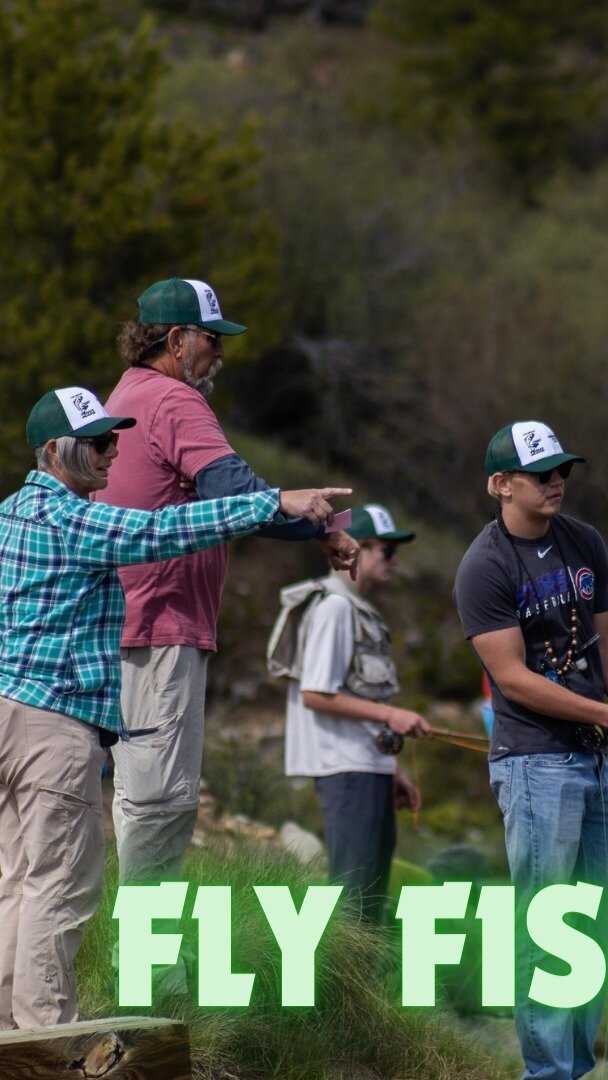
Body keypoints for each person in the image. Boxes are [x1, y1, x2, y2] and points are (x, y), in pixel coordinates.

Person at [0, 386, 348, 1029]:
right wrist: (273, 502)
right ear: (55, 451)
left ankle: (10, 1033)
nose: (114, 451)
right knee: (62, 885)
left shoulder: (10, 515)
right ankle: (49, 1039)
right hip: (53, 723)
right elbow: (162, 530)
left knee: (18, 880)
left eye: (115, 437)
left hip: (9, 712)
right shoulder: (70, 519)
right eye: (100, 441)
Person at [99, 277, 360, 897]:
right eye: (211, 340)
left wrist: (312, 529)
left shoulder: (129, 393)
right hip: (161, 624)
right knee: (160, 806)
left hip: (120, 623)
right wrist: (318, 520)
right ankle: (150, 983)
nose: (220, 353)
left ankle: (129, 968)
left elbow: (231, 500)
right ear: (175, 340)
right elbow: (234, 492)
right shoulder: (175, 399)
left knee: (135, 801)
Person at [452, 420, 608, 1080]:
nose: (555, 483)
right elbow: (513, 680)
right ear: (501, 485)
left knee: (597, 926)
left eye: (561, 472)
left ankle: (575, 1068)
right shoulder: (483, 567)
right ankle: (547, 1073)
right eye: (541, 474)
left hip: (593, 757)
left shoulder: (585, 543)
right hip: (532, 762)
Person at [276, 504, 432, 923]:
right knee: (353, 899)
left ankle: (362, 987)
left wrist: (391, 769)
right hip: (343, 769)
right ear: (357, 548)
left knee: (370, 900)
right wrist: (391, 716)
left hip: (367, 766)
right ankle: (338, 986)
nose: (395, 561)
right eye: (387, 550)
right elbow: (316, 693)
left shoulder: (358, 610)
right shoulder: (334, 609)